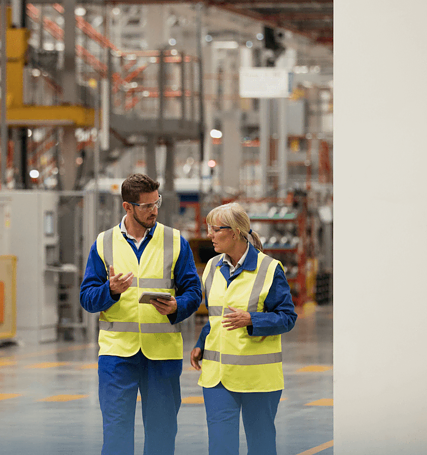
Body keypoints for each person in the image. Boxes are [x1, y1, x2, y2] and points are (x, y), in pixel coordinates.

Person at [80, 174, 202, 455]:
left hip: (161, 355)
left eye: (156, 202)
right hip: (116, 355)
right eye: (146, 205)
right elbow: (87, 299)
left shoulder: (175, 241)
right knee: (116, 430)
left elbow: (194, 293)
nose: (154, 210)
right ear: (127, 207)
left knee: (162, 432)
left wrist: (176, 306)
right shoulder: (104, 243)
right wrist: (109, 291)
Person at [190, 203, 297, 455]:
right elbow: (217, 316)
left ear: (236, 232)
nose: (209, 235)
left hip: (257, 380)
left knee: (261, 446)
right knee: (220, 446)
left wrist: (252, 319)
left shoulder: (269, 269)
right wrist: (201, 343)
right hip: (217, 377)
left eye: (215, 230)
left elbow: (287, 317)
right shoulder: (212, 268)